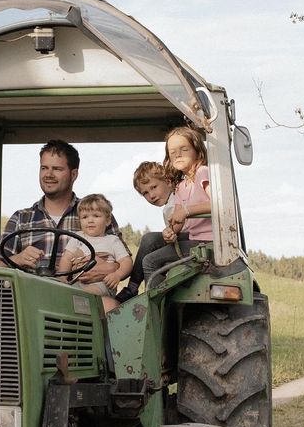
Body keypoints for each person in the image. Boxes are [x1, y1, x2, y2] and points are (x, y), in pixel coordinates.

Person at [0, 140, 124, 286]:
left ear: (74, 174)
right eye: (44, 168)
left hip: (81, 297)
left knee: (110, 304)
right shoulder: (22, 218)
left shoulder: (97, 213)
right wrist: (18, 259)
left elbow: (124, 263)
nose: (48, 174)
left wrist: (111, 268)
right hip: (31, 297)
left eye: (57, 169)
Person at [115, 128, 213, 303]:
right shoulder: (181, 186)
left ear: (198, 151)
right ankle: (146, 297)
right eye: (173, 152)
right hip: (192, 239)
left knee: (150, 260)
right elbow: (177, 222)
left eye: (184, 149)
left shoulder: (202, 172)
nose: (178, 155)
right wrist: (171, 232)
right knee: (149, 242)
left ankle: (155, 310)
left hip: (209, 243)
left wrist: (187, 211)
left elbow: (219, 204)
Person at [115, 161, 179, 303]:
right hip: (179, 240)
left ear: (168, 181)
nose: (151, 195)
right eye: (145, 193)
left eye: (154, 187)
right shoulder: (169, 204)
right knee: (149, 241)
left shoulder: (179, 197)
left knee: (150, 241)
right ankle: (134, 287)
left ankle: (136, 290)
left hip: (192, 240)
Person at [58, 194, 132, 313]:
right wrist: (62, 278)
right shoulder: (77, 238)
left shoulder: (112, 240)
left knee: (83, 295)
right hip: (77, 282)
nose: (90, 220)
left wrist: (117, 275)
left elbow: (126, 261)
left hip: (103, 283)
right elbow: (66, 258)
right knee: (65, 294)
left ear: (107, 220)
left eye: (96, 216)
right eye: (85, 217)